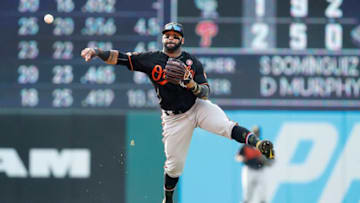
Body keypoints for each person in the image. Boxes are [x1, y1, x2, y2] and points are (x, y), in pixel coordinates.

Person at [81, 22, 274, 203]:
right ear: (163, 39)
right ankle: (169, 200)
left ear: (182, 40)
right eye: (168, 35)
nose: (171, 38)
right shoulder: (152, 59)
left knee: (226, 126)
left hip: (197, 106)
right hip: (174, 118)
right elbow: (122, 58)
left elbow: (206, 93)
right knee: (175, 165)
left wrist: (191, 84)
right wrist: (97, 51)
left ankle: (258, 143)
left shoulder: (192, 62)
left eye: (175, 36)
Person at [235, 126, 273, 203]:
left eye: (257, 133)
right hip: (249, 170)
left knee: (263, 193)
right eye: (255, 132)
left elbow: (270, 162)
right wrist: (242, 158)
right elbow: (237, 156)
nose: (256, 134)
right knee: (247, 193)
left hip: (260, 171)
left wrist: (265, 160)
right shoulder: (246, 145)